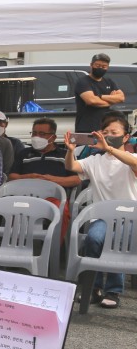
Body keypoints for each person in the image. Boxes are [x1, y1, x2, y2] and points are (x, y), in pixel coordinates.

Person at [64, 115, 137, 309]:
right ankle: (93, 287)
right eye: (105, 132)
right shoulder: (94, 160)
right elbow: (71, 166)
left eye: (114, 133)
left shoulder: (132, 158)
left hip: (131, 219)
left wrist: (110, 148)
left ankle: (113, 289)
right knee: (93, 239)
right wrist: (70, 152)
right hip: (103, 217)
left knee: (118, 242)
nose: (108, 136)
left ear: (126, 137)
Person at [74, 53, 126, 135]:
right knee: (86, 148)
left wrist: (101, 96)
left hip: (105, 127)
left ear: (107, 67)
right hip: (87, 127)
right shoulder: (83, 82)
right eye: (97, 65)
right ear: (91, 65)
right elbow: (91, 101)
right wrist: (111, 100)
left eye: (103, 66)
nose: (100, 68)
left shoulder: (109, 81)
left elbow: (121, 97)